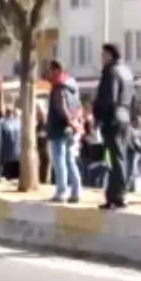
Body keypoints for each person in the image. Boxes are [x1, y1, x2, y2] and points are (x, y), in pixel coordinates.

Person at [92, 43, 135, 209]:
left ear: (110, 55)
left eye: (103, 55)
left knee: (113, 159)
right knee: (120, 157)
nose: (102, 59)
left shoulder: (111, 72)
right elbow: (132, 98)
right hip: (124, 118)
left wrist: (99, 117)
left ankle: (116, 196)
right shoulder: (127, 72)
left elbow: (108, 98)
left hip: (113, 119)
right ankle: (117, 194)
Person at [46, 59, 82, 202]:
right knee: (70, 160)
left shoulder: (58, 87)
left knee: (59, 160)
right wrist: (76, 123)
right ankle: (76, 190)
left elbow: (61, 107)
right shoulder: (73, 86)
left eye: (50, 70)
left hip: (59, 128)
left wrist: (70, 121)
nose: (49, 73)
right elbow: (78, 106)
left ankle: (61, 191)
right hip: (70, 129)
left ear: (56, 70)